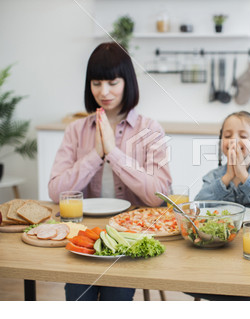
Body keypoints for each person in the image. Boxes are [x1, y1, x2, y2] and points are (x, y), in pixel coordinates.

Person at [48, 42, 172, 301]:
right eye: (96, 83)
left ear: (127, 82)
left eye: (112, 82)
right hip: (84, 235)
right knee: (77, 292)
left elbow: (158, 196)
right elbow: (56, 192)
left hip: (130, 235)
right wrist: (95, 154)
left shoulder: (150, 129)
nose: (103, 91)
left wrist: (113, 152)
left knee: (116, 292)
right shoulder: (76, 130)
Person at [195, 111, 250, 215]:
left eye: (243, 136)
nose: (233, 140)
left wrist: (244, 176)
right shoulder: (213, 176)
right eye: (227, 136)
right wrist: (227, 177)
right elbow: (198, 206)